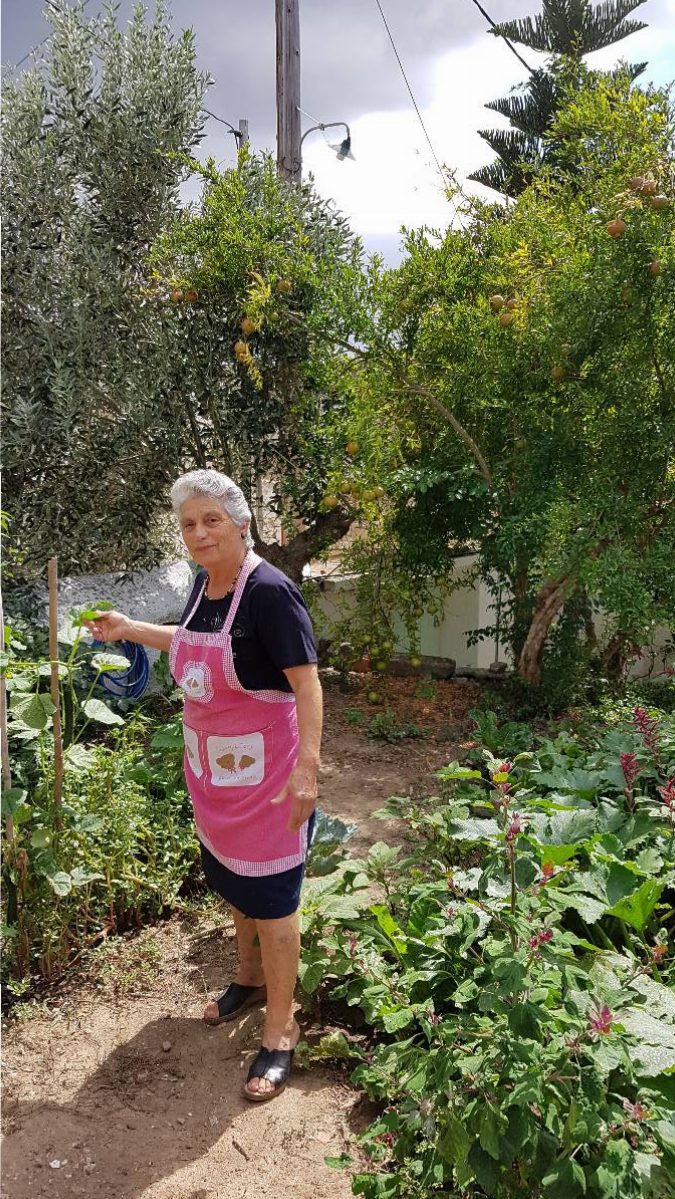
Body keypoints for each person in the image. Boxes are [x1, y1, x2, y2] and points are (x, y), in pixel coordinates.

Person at [85, 469, 322, 1103]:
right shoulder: (203, 584)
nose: (199, 533)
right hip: (216, 781)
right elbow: (190, 643)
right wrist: (129, 628)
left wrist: (307, 769)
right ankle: (248, 977)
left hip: (268, 783)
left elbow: (306, 684)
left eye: (211, 520)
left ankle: (281, 1027)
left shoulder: (270, 593)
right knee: (235, 883)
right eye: (188, 524)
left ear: (242, 525)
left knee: (274, 902)